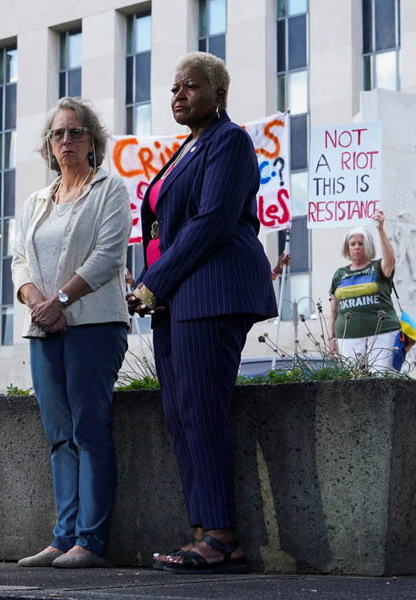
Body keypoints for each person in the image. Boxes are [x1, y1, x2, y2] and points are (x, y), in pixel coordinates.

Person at [128, 52, 277, 574]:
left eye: (190, 87)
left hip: (212, 291)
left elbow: (212, 220)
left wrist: (154, 282)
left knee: (201, 409)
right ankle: (201, 531)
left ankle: (222, 537)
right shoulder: (184, 149)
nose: (179, 96)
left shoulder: (229, 140)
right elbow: (161, 228)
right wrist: (148, 282)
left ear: (218, 94)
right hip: (176, 297)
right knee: (179, 413)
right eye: (174, 89)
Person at [11, 97, 131, 569]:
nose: (66, 140)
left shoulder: (109, 190)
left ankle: (90, 540)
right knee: (59, 434)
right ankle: (62, 537)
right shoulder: (35, 202)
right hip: (44, 330)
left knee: (89, 429)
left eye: (76, 132)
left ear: (93, 141)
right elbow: (19, 259)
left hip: (94, 325)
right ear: (48, 145)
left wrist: (59, 301)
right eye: (58, 134)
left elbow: (106, 257)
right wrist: (38, 304)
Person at [327, 212, 399, 372]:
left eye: (361, 243)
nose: (356, 247)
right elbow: (333, 309)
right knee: (353, 382)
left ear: (368, 246)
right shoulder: (339, 274)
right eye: (352, 244)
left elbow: (391, 260)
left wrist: (380, 229)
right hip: (347, 337)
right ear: (347, 248)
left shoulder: (378, 267)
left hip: (383, 334)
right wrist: (331, 338)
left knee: (381, 378)